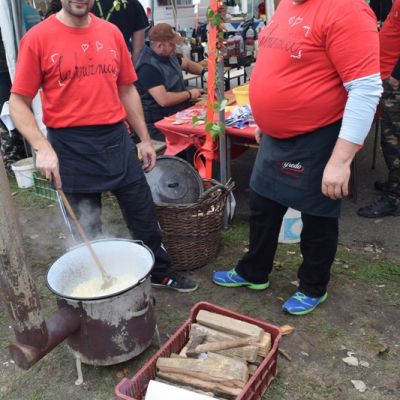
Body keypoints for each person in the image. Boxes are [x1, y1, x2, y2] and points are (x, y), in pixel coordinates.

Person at [9, 0, 197, 292]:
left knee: (144, 216)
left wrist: (144, 139)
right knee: (87, 230)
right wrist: (41, 146)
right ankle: (102, 287)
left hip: (115, 140)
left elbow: (126, 89)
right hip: (69, 147)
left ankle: (159, 272)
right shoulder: (37, 38)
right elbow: (18, 102)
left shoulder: (110, 33)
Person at [213, 0, 382, 315]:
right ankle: (254, 272)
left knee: (317, 216)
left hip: (317, 135)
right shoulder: (288, 6)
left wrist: (341, 161)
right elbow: (281, 64)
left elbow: (365, 89)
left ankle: (313, 286)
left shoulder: (347, 10)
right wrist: (267, 118)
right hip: (276, 135)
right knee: (263, 204)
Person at [358, 0, 400, 218]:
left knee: (394, 143)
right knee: (389, 139)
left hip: (395, 84)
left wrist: (396, 77)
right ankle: (395, 186)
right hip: (387, 78)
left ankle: (394, 200)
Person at [135, 23, 205, 142]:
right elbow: (164, 100)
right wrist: (189, 94)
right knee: (195, 138)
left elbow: (187, 64)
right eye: (172, 44)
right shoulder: (147, 66)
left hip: (176, 114)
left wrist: (204, 72)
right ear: (159, 46)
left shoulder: (167, 54)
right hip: (158, 123)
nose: (175, 47)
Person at [91, 0, 149, 64]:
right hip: (120, 63)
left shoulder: (86, 4)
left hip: (89, 65)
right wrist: (131, 70)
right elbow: (138, 49)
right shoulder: (134, 4)